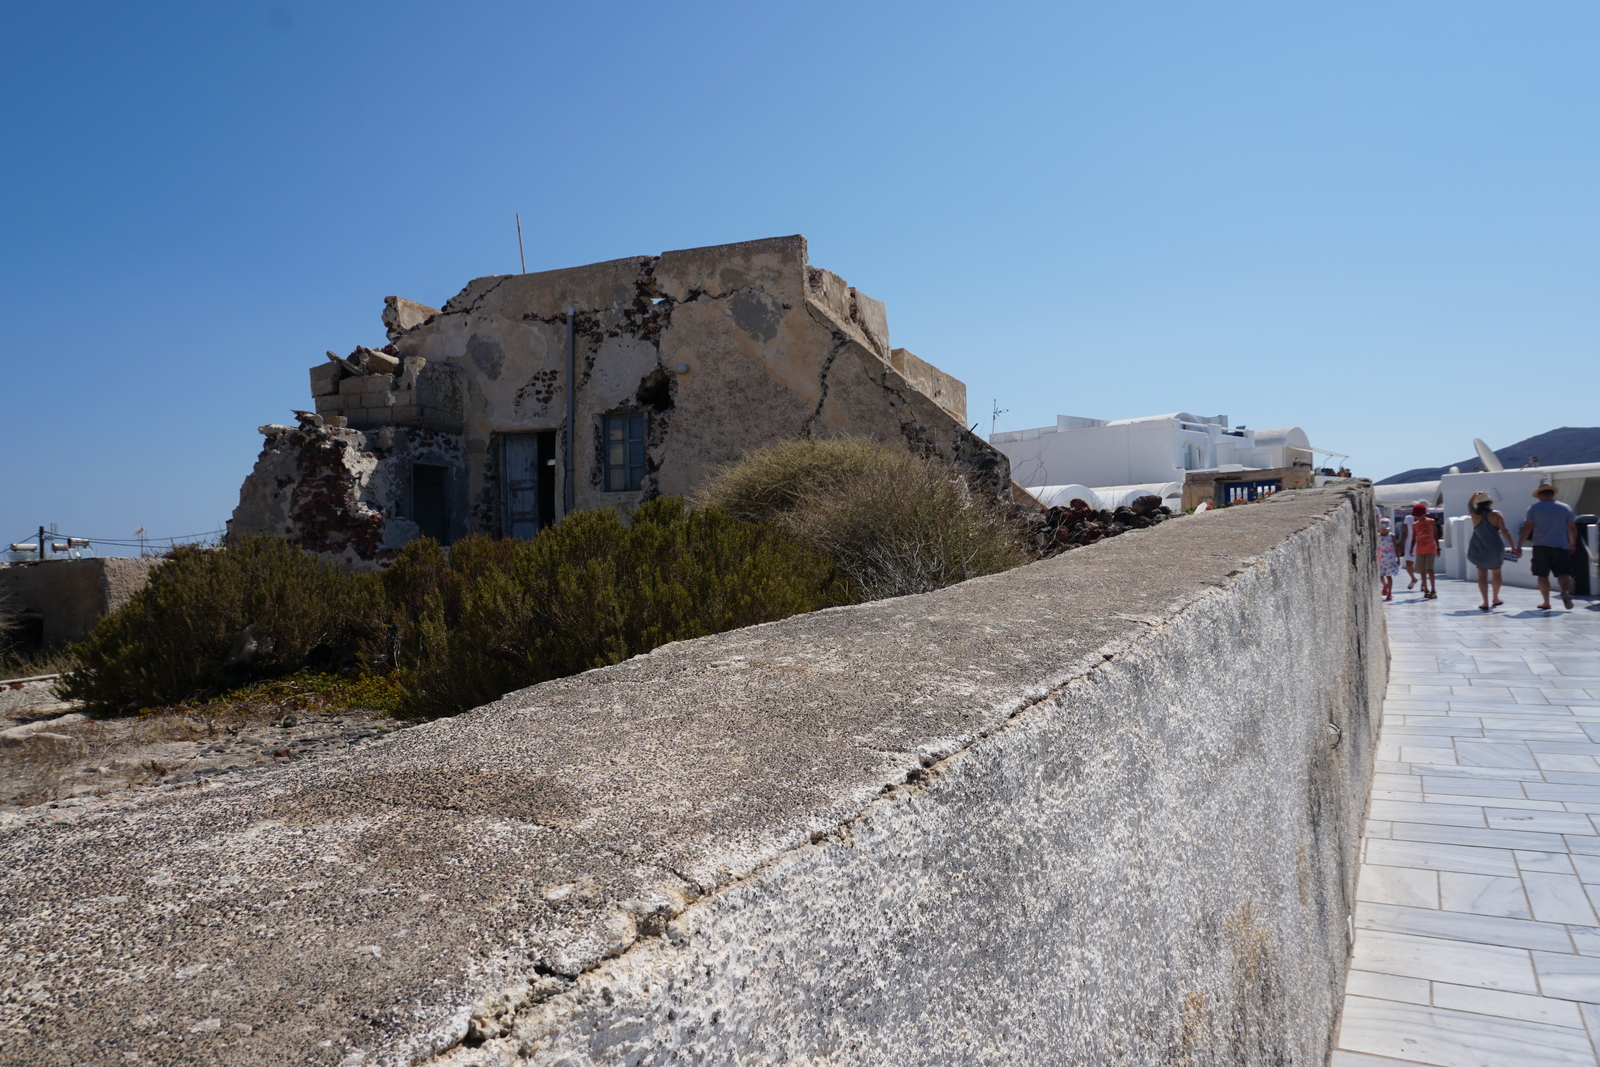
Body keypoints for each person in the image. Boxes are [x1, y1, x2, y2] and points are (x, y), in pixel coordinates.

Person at [1516, 479, 1579, 610]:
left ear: (1540, 495)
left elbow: (1528, 528)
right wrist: (1572, 543)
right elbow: (1572, 528)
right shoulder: (1565, 507)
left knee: (1542, 574)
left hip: (1540, 546)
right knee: (1564, 572)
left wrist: (1519, 545)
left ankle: (1546, 602)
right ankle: (1565, 592)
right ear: (1552, 494)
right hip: (1560, 545)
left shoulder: (1533, 508)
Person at [1465, 491, 1514, 610]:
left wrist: (1475, 494)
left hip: (1479, 546)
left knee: (1482, 575)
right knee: (1496, 573)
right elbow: (1504, 531)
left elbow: (1469, 504)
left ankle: (1485, 601)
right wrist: (1513, 546)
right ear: (1490, 502)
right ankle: (1495, 598)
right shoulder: (1496, 514)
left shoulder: (1474, 514)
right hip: (1495, 547)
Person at [1407, 502, 1441, 599]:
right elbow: (1414, 537)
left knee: (1430, 569)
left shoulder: (1431, 521)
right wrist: (1411, 549)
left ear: (1424, 513)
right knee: (1422, 570)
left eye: (1419, 515)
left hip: (1430, 548)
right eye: (1416, 515)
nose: (1418, 517)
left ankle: (1433, 589)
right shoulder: (1415, 524)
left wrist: (1438, 548)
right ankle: (1426, 589)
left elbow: (1435, 535)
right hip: (1420, 550)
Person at [1377, 518, 1399, 601]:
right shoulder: (1377, 536)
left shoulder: (1392, 536)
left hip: (1390, 558)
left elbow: (1395, 547)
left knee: (1389, 576)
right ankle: (1385, 585)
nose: (1383, 530)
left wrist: (1398, 558)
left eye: (1385, 529)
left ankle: (1389, 593)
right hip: (1380, 558)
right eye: (1382, 528)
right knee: (1380, 575)